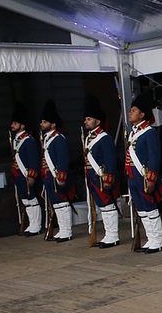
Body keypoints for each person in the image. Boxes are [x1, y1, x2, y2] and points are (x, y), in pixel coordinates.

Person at [126, 89, 162, 253]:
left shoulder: (148, 133)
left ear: (142, 115)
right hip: (132, 176)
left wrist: (151, 179)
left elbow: (154, 158)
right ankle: (150, 239)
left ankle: (157, 240)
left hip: (143, 177)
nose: (130, 113)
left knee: (150, 207)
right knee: (141, 209)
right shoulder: (133, 132)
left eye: (134, 111)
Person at [82, 95, 121, 248]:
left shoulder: (104, 138)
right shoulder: (88, 138)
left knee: (107, 205)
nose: (86, 121)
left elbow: (110, 160)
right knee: (102, 206)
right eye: (86, 119)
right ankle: (108, 234)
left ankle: (113, 235)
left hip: (101, 176)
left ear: (97, 121)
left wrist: (108, 178)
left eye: (89, 119)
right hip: (92, 177)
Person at [39, 99, 74, 242]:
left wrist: (61, 176)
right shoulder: (47, 139)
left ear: (52, 124)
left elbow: (62, 160)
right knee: (56, 204)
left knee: (62, 203)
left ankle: (67, 230)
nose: (42, 124)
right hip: (48, 176)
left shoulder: (58, 139)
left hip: (56, 176)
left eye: (45, 122)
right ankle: (62, 229)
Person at [9, 102, 42, 236]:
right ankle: (31, 224)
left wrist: (31, 176)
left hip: (26, 174)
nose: (12, 125)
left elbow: (34, 160)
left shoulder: (28, 140)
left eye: (15, 123)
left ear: (22, 125)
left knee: (32, 200)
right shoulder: (16, 140)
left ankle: (36, 226)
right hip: (19, 175)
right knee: (26, 201)